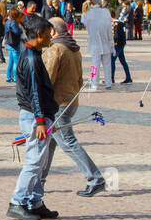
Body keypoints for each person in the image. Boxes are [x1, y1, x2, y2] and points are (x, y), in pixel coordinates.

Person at [43, 18, 107, 196]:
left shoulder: (55, 49)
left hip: (57, 104)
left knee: (68, 142)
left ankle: (95, 179)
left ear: (53, 31)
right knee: (50, 143)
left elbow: (47, 79)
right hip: (71, 101)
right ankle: (39, 180)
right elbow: (79, 79)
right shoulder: (74, 49)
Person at [8, 14, 61, 220]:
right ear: (39, 35)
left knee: (41, 160)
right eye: (49, 34)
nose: (51, 37)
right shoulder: (31, 58)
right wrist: (40, 120)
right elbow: (35, 92)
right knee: (34, 161)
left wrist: (48, 117)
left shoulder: (33, 54)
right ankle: (17, 201)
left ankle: (34, 201)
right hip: (33, 116)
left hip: (39, 115)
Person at [81, 0, 113, 90]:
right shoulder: (106, 12)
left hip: (95, 43)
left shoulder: (87, 14)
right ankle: (108, 83)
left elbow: (83, 21)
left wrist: (85, 7)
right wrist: (111, 43)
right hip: (106, 42)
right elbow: (109, 29)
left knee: (95, 65)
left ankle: (94, 83)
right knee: (107, 65)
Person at [3, 7, 24, 83]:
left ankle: (8, 77)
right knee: (16, 61)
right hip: (14, 43)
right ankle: (15, 78)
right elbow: (16, 32)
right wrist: (21, 30)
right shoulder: (13, 22)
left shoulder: (7, 21)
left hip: (9, 43)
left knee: (10, 61)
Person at [110, 18, 133, 85]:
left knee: (112, 59)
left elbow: (116, 35)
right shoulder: (120, 22)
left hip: (117, 44)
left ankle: (111, 78)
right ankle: (128, 78)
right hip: (121, 43)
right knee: (123, 61)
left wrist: (112, 42)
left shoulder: (116, 24)